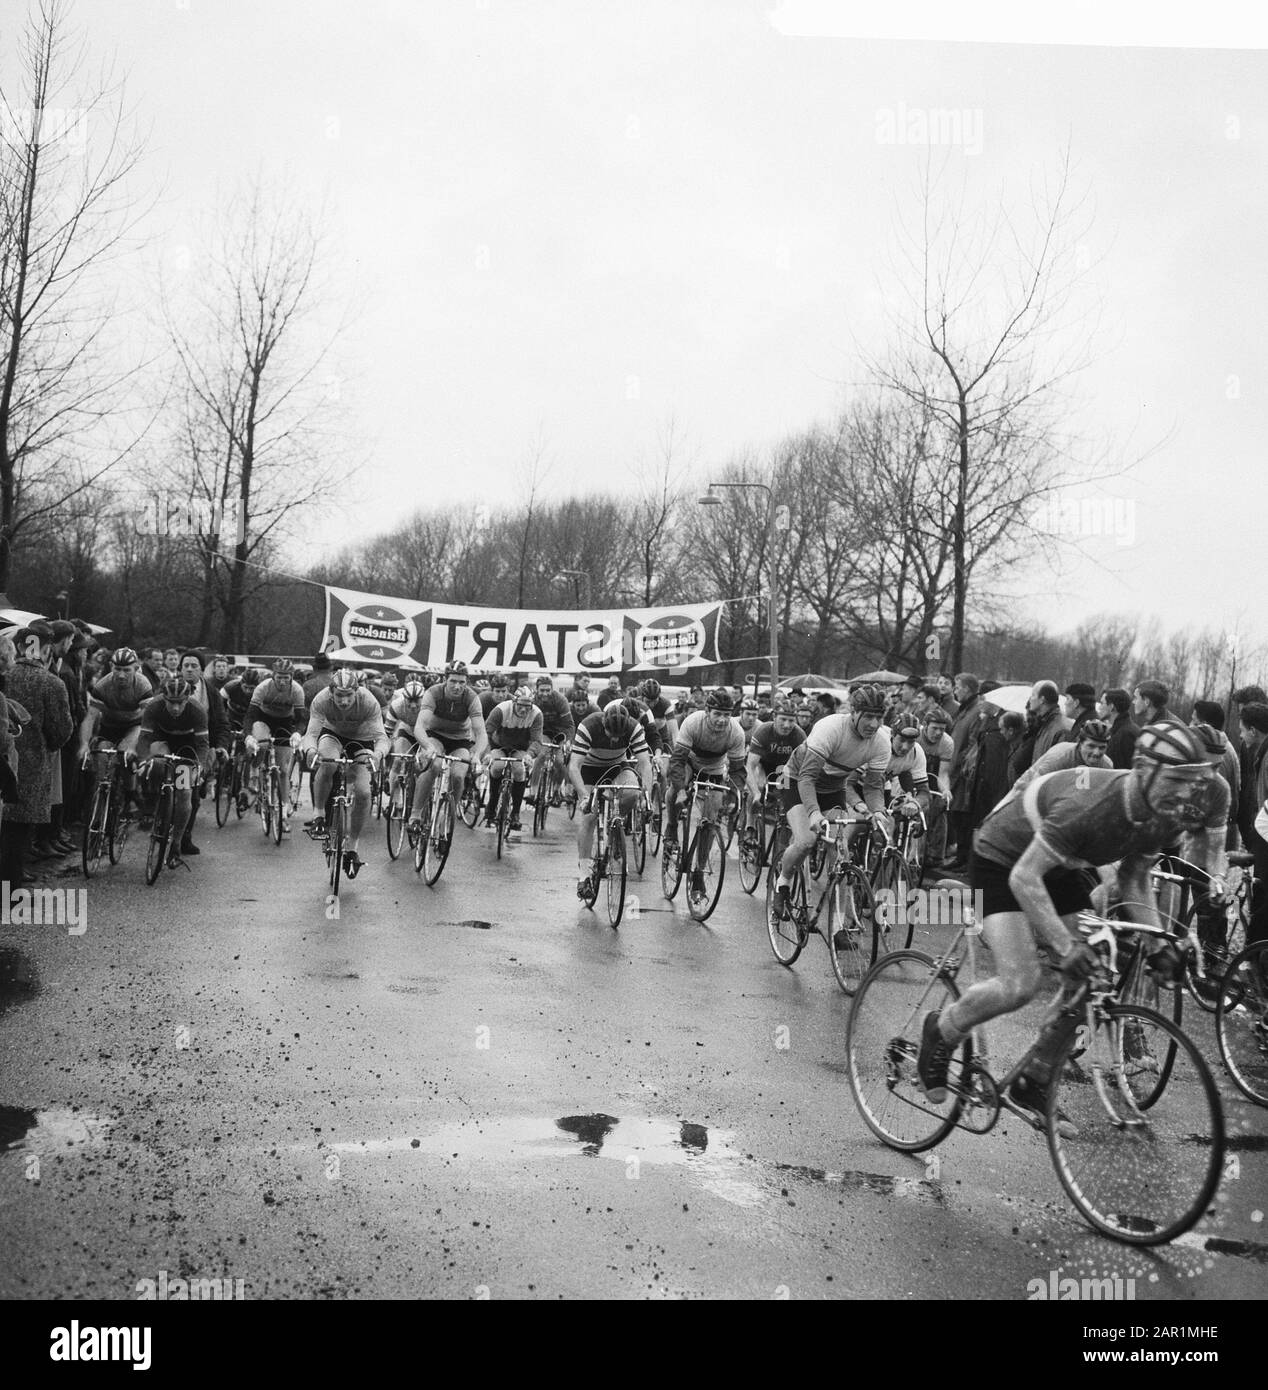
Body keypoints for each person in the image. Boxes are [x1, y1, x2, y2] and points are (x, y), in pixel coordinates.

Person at [916, 721, 1225, 1126]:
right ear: (1145, 770)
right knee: (1021, 982)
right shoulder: (1093, 805)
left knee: (1095, 970)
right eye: (1177, 780)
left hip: (1062, 865)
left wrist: (1157, 944)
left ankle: (1036, 1077)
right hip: (1004, 858)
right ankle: (941, 1031)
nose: (1187, 793)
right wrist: (1064, 946)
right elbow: (1024, 878)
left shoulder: (1163, 810)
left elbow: (1133, 878)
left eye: (1192, 782)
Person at [772, 683, 892, 924]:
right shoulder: (830, 728)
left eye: (879, 718)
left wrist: (877, 811)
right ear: (854, 712)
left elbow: (872, 786)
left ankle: (838, 928)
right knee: (806, 840)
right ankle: (782, 881)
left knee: (840, 853)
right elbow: (807, 777)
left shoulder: (881, 741)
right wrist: (814, 813)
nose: (874, 724)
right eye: (868, 716)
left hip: (833, 788)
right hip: (797, 781)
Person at [301, 669, 389, 875]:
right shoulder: (321, 699)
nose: (343, 700)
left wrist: (378, 755)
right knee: (327, 763)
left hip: (363, 739)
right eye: (339, 695)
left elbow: (383, 738)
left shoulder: (369, 701)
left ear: (356, 692)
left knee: (364, 792)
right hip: (333, 734)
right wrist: (310, 750)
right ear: (331, 692)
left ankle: (353, 848)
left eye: (348, 695)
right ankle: (319, 814)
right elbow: (311, 733)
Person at [569, 699, 653, 900]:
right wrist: (584, 796)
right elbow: (574, 766)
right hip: (589, 768)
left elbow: (645, 764)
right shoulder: (588, 726)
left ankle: (614, 826)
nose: (615, 740)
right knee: (589, 816)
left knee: (632, 791)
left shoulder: (633, 727)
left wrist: (646, 796)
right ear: (603, 725)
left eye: (619, 736)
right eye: (610, 735)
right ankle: (584, 876)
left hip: (616, 765)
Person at [135, 677, 212, 870]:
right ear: (164, 698)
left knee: (184, 791)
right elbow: (144, 739)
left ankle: (176, 844)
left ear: (187, 700)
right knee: (157, 763)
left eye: (180, 703)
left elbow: (202, 745)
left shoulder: (197, 710)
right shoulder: (154, 706)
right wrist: (144, 761)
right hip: (162, 739)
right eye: (171, 703)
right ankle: (155, 799)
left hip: (187, 746)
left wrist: (199, 767)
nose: (176, 708)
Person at [409, 660, 487, 835]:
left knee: (458, 775)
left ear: (466, 682)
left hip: (460, 740)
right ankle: (415, 814)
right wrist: (427, 746)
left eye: (462, 682)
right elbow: (420, 726)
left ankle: (447, 815)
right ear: (445, 680)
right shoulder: (434, 693)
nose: (457, 686)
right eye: (453, 681)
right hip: (435, 735)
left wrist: (476, 755)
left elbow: (481, 733)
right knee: (434, 766)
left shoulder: (471, 698)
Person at [244, 659, 307, 833]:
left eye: (286, 677)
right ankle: (256, 773)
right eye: (279, 677)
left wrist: (297, 733)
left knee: (284, 770)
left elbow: (302, 719)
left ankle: (284, 812)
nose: (282, 681)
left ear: (291, 677)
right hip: (263, 719)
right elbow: (250, 715)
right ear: (273, 675)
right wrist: (249, 736)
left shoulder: (297, 690)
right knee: (262, 744)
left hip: (285, 723)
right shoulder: (263, 687)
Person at [743, 698, 805, 850]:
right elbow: (750, 766)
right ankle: (749, 825)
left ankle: (782, 839)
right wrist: (756, 793)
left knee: (787, 800)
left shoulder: (799, 735)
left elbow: (804, 768)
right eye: (783, 719)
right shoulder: (764, 731)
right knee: (758, 785)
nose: (787, 725)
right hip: (763, 765)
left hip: (785, 769)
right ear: (774, 717)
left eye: (791, 720)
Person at [482, 686, 543, 835]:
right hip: (499, 745)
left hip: (520, 748)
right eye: (520, 706)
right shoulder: (501, 710)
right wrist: (488, 752)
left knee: (519, 770)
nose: (523, 710)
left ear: (532, 706)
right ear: (514, 702)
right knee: (497, 767)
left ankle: (515, 813)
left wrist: (530, 754)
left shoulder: (536, 714)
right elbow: (485, 733)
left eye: (527, 707)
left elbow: (537, 741)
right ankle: (492, 805)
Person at [526, 674, 574, 806]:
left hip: (560, 733)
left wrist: (568, 741)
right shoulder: (533, 700)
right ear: (537, 690)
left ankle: (557, 791)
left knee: (560, 761)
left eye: (548, 690)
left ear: (552, 689)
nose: (545, 693)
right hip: (543, 732)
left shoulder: (560, 700)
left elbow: (569, 725)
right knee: (541, 755)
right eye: (542, 690)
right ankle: (533, 792)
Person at [1098, 688, 1139, 769]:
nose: (1099, 707)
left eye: (1102, 703)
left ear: (1112, 707)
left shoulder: (1126, 734)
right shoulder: (1121, 731)